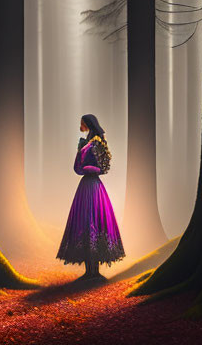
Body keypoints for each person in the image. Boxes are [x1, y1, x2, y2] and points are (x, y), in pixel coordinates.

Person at [56, 114, 125, 279]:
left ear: (88, 124)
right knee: (85, 223)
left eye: (82, 123)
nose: (80, 125)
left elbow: (104, 168)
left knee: (96, 221)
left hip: (94, 187)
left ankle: (95, 272)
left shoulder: (98, 143)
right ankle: (89, 271)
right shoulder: (86, 143)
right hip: (86, 187)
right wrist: (79, 152)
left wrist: (89, 168)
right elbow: (77, 169)